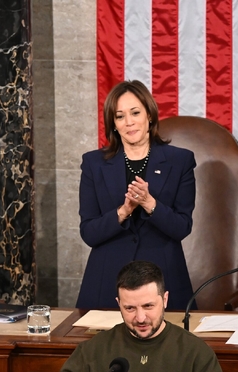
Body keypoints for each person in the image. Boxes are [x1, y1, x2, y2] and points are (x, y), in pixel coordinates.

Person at [24, 261, 231, 372]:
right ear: (118, 303)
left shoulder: (195, 351)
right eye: (130, 308)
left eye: (148, 306)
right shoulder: (96, 348)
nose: (140, 318)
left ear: (165, 299)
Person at [76, 80, 196, 310]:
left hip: (163, 278)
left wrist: (150, 204)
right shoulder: (94, 163)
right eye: (120, 116)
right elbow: (89, 232)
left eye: (135, 113)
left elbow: (182, 227)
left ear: (149, 115)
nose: (129, 122)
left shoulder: (180, 161)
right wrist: (124, 211)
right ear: (113, 123)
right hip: (107, 281)